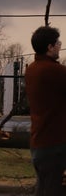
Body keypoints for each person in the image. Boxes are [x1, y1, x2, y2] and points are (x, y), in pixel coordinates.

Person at [25, 25, 66, 195]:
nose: (60, 45)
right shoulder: (54, 71)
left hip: (39, 142)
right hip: (54, 144)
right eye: (57, 43)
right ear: (49, 47)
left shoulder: (31, 69)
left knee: (44, 189)